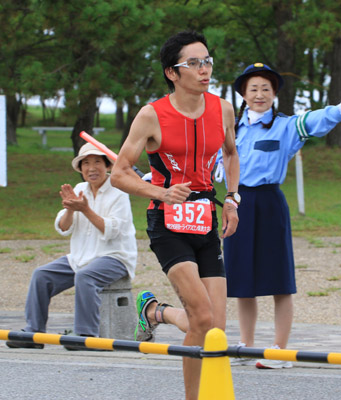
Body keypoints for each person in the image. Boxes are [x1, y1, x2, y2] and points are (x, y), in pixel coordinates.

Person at [110, 31, 239, 400]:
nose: (204, 69)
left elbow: (231, 154)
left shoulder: (222, 109)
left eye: (207, 61)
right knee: (201, 317)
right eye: (193, 63)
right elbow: (119, 173)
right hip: (167, 223)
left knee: (216, 327)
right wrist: (160, 192)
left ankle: (156, 312)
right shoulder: (151, 115)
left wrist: (232, 199)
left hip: (205, 219)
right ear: (172, 72)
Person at [216, 63, 341, 369]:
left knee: (278, 279)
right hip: (237, 203)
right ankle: (246, 346)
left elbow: (311, 122)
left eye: (266, 89)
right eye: (253, 89)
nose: (259, 94)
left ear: (274, 94)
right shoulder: (232, 129)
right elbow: (209, 159)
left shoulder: (285, 126)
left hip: (269, 203)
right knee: (242, 280)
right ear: (243, 94)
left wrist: (337, 112)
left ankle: (280, 351)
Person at [6, 142, 137, 350]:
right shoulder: (80, 189)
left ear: (108, 166)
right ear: (80, 169)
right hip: (80, 257)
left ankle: (86, 335)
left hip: (115, 257)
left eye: (97, 162)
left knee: (85, 276)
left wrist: (85, 210)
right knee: (41, 275)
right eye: (86, 163)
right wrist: (69, 209)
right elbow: (63, 227)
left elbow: (111, 230)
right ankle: (34, 332)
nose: (91, 168)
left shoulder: (119, 192)